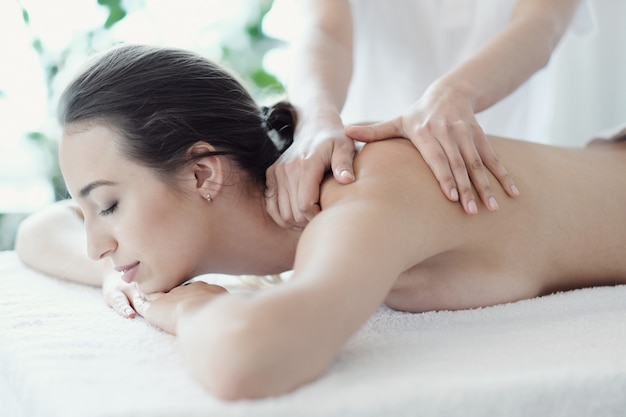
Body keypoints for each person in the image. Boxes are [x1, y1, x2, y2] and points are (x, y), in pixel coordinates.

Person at [15, 44, 626, 401]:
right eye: (88, 210)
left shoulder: (359, 196)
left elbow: (248, 359)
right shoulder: (309, 214)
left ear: (203, 174)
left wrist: (183, 307)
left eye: (110, 205)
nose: (95, 242)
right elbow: (39, 232)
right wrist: (119, 278)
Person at [265, 0, 589, 226]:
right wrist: (314, 120)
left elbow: (543, 22)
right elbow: (325, 28)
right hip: (359, 163)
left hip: (494, 161)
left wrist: (456, 93)